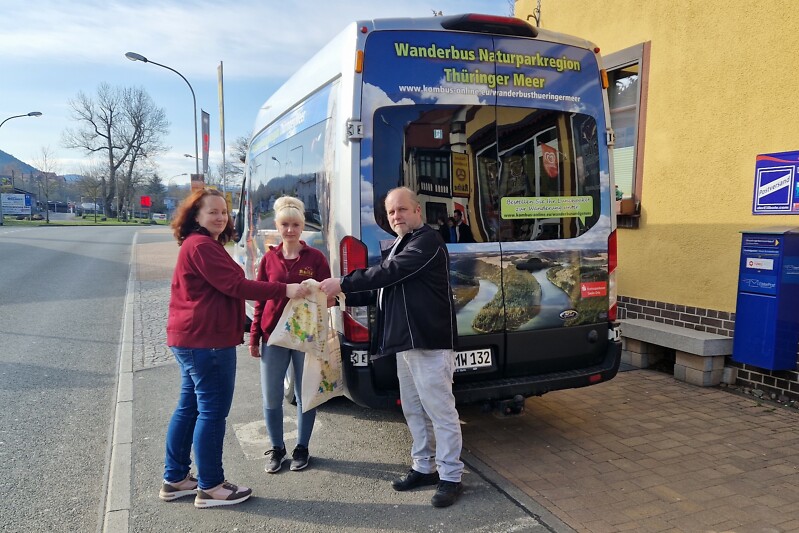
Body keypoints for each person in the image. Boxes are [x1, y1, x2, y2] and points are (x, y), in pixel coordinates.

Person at [160, 188, 309, 508]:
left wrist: (244, 325)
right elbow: (236, 286)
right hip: (207, 344)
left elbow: (217, 294)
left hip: (193, 339)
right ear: (195, 216)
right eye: (211, 211)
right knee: (211, 413)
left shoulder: (198, 245)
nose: (219, 217)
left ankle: (175, 479)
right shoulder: (202, 246)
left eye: (223, 212)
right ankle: (211, 486)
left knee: (189, 409)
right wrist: (287, 289)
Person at [319, 186, 464, 508]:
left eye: (402, 209)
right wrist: (341, 297)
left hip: (428, 341)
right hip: (406, 343)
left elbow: (390, 272)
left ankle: (451, 475)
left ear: (417, 212)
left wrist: (342, 282)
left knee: (440, 411)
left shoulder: (426, 241)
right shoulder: (401, 244)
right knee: (413, 409)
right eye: (391, 212)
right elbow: (383, 289)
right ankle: (424, 467)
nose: (396, 216)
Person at [249, 196, 331, 474]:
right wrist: (254, 336)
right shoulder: (268, 260)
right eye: (285, 224)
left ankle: (302, 448)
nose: (290, 230)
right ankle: (277, 448)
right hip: (273, 337)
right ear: (277, 225)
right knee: (271, 397)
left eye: (296, 225)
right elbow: (260, 299)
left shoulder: (316, 259)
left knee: (304, 394)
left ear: (302, 226)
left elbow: (327, 300)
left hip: (305, 338)